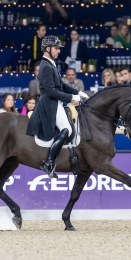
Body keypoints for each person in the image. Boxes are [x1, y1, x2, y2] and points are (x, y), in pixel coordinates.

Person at [26, 35, 89, 178]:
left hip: (55, 102)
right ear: (47, 49)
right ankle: (49, 162)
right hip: (49, 104)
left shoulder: (51, 64)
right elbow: (51, 91)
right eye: (56, 48)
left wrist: (78, 92)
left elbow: (61, 86)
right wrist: (72, 98)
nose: (58, 51)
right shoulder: (45, 66)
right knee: (66, 130)